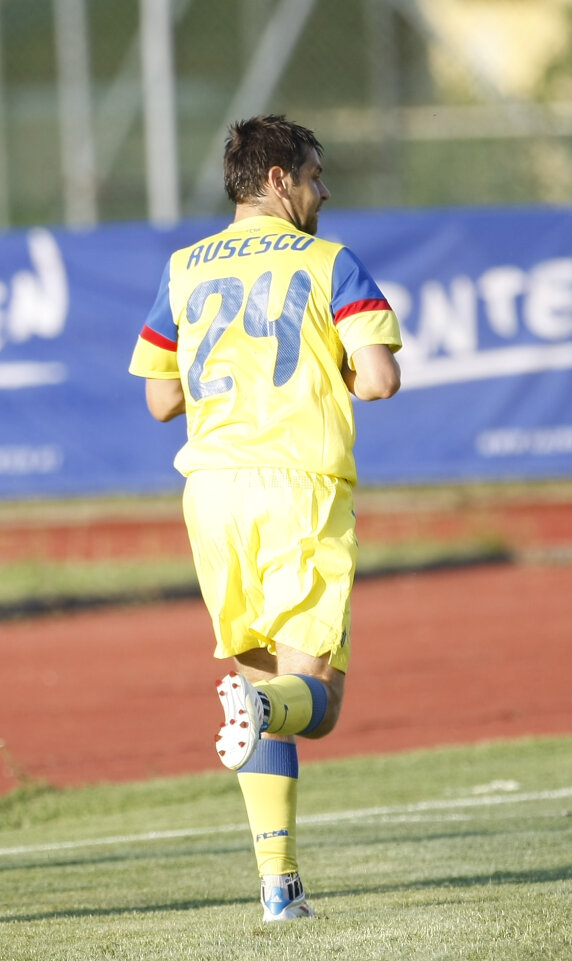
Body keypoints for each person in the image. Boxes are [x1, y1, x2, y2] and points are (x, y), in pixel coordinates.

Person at [128, 115, 402, 921]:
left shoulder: (182, 267)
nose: (325, 190)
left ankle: (279, 889)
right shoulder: (329, 261)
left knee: (261, 689)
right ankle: (259, 727)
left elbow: (158, 398)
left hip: (211, 494)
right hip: (299, 486)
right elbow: (380, 379)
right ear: (278, 178)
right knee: (310, 699)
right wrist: (337, 374)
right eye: (315, 174)